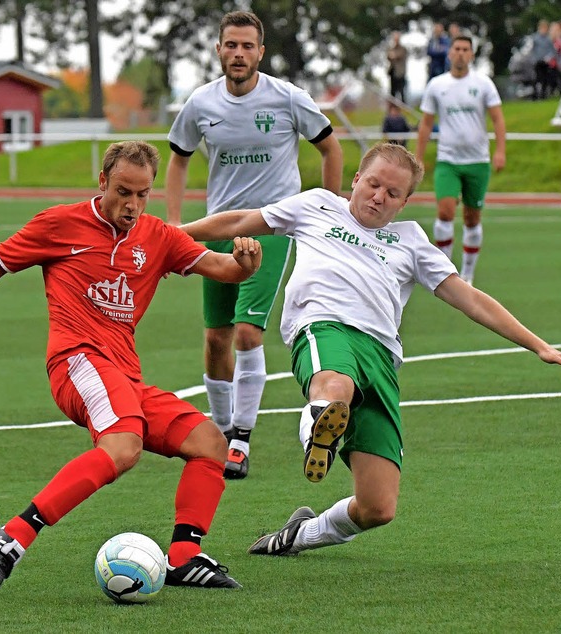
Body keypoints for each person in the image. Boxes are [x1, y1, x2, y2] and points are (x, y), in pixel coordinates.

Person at [178, 142, 561, 558]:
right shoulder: (317, 205)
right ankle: (317, 433)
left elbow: (472, 299)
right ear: (356, 180)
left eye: (392, 194)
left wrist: (538, 346)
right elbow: (239, 220)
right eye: (373, 184)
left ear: (405, 202)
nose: (378, 197)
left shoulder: (410, 241)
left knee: (377, 507)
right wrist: (174, 233)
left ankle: (299, 534)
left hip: (382, 359)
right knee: (334, 385)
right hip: (324, 329)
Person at [0, 141, 263, 592]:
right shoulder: (59, 223)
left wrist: (246, 264)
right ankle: (11, 538)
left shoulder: (159, 236)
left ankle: (183, 557)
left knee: (210, 442)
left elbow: (223, 268)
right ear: (102, 182)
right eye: (123, 191)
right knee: (123, 445)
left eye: (142, 194)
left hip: (124, 375)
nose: (132, 205)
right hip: (76, 359)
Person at [165, 10, 343, 480]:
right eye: (231, 45)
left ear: (260, 52)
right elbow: (179, 159)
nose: (238, 53)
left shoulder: (287, 97)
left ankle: (241, 438)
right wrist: (177, 222)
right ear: (219, 50)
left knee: (247, 332)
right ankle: (221, 432)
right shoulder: (201, 103)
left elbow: (330, 146)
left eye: (247, 46)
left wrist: (328, 207)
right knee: (215, 338)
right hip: (219, 232)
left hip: (270, 229)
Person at [415, 35, 506, 287]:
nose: (461, 53)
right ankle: (444, 271)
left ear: (472, 55)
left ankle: (467, 273)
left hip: (478, 161)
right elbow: (426, 123)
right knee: (444, 211)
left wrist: (500, 151)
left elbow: (498, 119)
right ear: (449, 53)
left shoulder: (483, 84)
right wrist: (418, 158)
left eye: (466, 49)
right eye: (457, 49)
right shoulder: (437, 85)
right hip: (448, 161)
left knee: (471, 218)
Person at [531, 19, 555, 100]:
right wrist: (534, 59)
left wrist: (548, 57)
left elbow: (552, 51)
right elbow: (533, 50)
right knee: (537, 78)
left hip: (546, 62)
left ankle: (543, 95)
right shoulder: (535, 38)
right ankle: (535, 94)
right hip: (538, 61)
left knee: (545, 79)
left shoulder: (548, 39)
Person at [386, 31, 408, 103]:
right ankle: (392, 108)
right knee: (392, 91)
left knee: (401, 90)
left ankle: (404, 106)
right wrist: (392, 55)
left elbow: (398, 56)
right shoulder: (391, 48)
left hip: (400, 72)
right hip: (393, 71)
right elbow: (389, 56)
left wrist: (393, 55)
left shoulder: (403, 49)